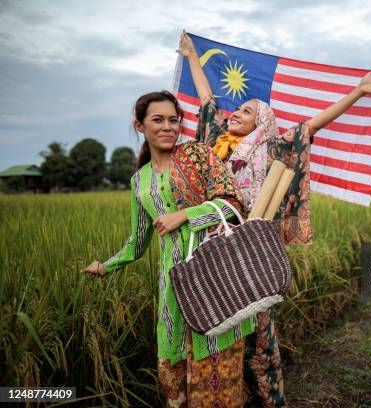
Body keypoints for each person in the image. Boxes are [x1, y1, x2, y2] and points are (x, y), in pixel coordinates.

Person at [178, 31, 371, 407]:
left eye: (247, 111)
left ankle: (269, 397)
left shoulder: (271, 149)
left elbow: (311, 127)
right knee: (215, 323)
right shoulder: (214, 144)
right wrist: (190, 56)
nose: (235, 112)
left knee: (257, 327)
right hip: (210, 245)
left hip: (249, 248)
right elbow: (207, 102)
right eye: (238, 108)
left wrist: (359, 91)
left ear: (261, 123)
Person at [80, 90, 253, 407]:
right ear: (140, 126)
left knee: (218, 380)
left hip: (215, 283)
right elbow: (138, 240)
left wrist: (184, 215)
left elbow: (233, 203)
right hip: (172, 288)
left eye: (174, 120)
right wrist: (105, 266)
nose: (167, 127)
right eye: (157, 120)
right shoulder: (139, 180)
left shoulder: (198, 154)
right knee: (174, 373)